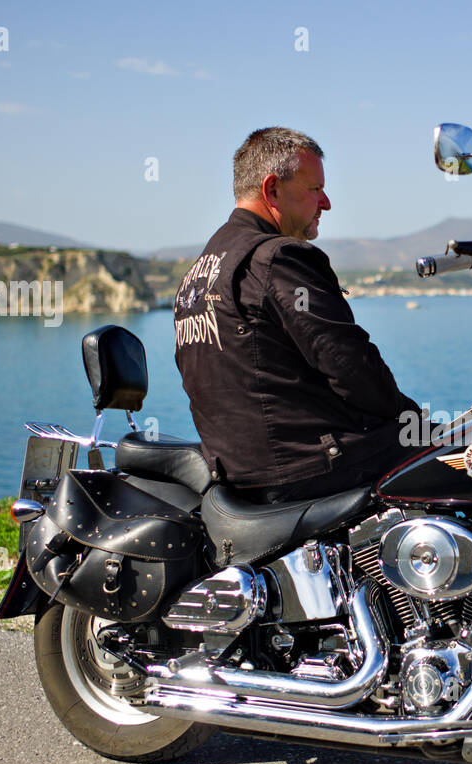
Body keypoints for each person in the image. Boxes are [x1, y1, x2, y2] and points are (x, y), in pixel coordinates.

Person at [174, 127, 419, 504]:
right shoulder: (278, 257)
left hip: (243, 476)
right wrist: (416, 422)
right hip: (312, 470)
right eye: (314, 189)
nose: (326, 203)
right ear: (272, 190)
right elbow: (350, 366)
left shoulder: (200, 271)